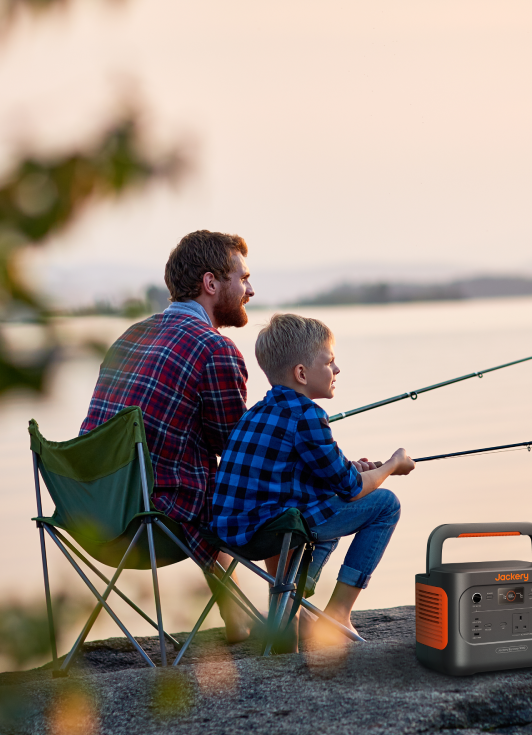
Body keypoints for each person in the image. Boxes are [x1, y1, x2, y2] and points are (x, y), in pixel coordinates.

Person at [80, 230, 254, 642]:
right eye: (243, 278)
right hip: (151, 524)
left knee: (197, 478)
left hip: (91, 514)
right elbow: (235, 455)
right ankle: (282, 618)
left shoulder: (130, 336)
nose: (250, 289)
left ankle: (239, 616)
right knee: (250, 484)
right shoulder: (215, 349)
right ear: (211, 284)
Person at [211, 313, 416, 646]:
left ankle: (293, 607)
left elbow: (293, 469)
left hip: (232, 535)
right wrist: (392, 465)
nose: (337, 370)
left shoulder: (255, 413)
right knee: (385, 505)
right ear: (302, 373)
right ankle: (337, 612)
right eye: (330, 362)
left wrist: (351, 466)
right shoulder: (308, 415)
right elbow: (350, 489)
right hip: (274, 532)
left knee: (323, 502)